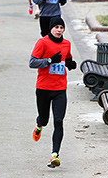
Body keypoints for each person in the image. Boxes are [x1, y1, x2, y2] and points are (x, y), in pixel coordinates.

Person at [29, 17, 77, 168]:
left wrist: (70, 63)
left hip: (60, 89)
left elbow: (67, 58)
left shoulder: (66, 44)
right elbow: (32, 62)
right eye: (56, 27)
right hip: (43, 88)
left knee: (58, 121)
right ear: (51, 29)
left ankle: (54, 155)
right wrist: (50, 61)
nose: (59, 30)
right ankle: (39, 124)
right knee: (45, 120)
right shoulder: (42, 42)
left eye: (61, 27)